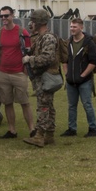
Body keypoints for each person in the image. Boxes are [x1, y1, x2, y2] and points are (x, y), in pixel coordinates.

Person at [0, 6, 35, 138]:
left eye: (6, 16)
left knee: (24, 102)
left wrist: (24, 72)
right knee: (7, 102)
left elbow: (29, 51)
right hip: (3, 73)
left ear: (12, 16)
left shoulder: (22, 32)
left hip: (19, 73)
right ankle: (12, 130)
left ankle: (32, 130)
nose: (4, 19)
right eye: (2, 16)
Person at [22, 9, 61, 148]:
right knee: (48, 105)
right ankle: (49, 134)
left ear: (40, 22)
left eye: (34, 20)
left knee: (43, 106)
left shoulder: (48, 38)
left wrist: (30, 59)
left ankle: (39, 135)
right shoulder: (41, 37)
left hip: (46, 76)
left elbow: (48, 58)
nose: (32, 22)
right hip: (43, 76)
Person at [59, 18, 96, 138]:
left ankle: (93, 129)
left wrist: (83, 75)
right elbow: (64, 60)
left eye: (74, 27)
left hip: (84, 81)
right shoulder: (68, 43)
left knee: (87, 104)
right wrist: (67, 74)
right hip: (71, 81)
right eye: (71, 27)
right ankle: (72, 129)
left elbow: (93, 62)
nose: (72, 29)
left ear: (81, 27)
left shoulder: (89, 43)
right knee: (71, 106)